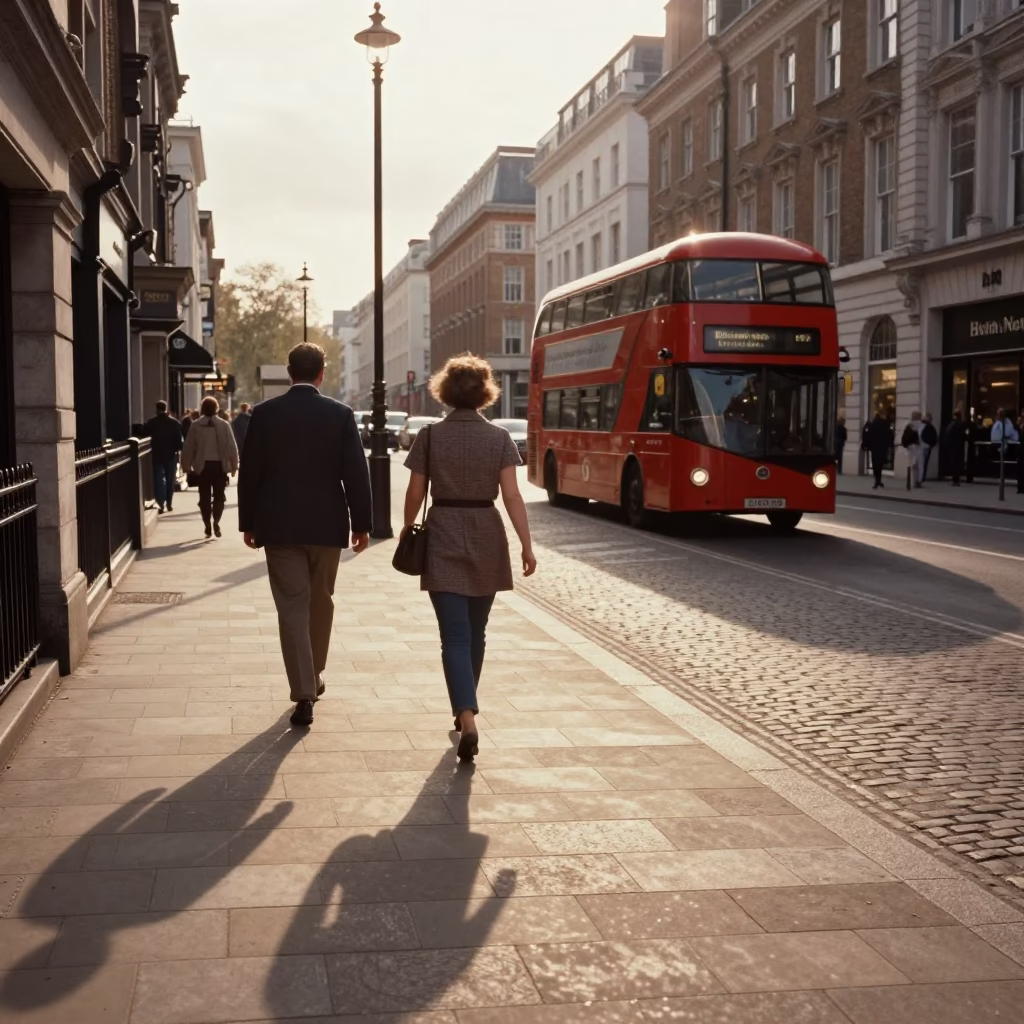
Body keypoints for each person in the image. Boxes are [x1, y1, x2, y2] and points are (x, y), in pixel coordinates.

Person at [402, 354, 537, 762]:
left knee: (454, 636)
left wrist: (409, 528)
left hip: (442, 530)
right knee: (476, 633)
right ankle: (466, 713)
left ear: (444, 392)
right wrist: (526, 545)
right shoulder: (498, 438)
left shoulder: (429, 436)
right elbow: (512, 495)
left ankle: (467, 715)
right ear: (485, 393)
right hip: (486, 532)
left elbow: (414, 493)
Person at [237, 343, 371, 728]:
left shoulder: (264, 415)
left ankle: (304, 692)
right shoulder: (340, 415)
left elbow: (251, 473)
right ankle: (313, 676)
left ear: (288, 372)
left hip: (279, 526)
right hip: (327, 526)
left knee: (292, 608)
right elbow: (356, 474)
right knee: (321, 602)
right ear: (321, 373)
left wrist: (249, 522)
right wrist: (362, 524)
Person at [181, 396, 239, 539]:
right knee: (219, 497)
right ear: (216, 408)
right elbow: (232, 446)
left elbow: (188, 447)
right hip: (219, 466)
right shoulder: (224, 425)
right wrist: (234, 466)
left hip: (202, 467)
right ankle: (216, 521)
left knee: (204, 497)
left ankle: (207, 523)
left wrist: (186, 465)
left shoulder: (195, 425)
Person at [144, 400, 184, 514]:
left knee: (158, 479)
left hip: (157, 454)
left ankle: (160, 503)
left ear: (156, 409)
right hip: (170, 454)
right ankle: (169, 502)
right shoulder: (174, 423)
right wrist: (177, 449)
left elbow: (144, 431)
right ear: (166, 409)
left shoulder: (152, 422)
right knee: (170, 479)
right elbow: (179, 439)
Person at [865, 412, 891, 489]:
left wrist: (868, 446)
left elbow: (868, 435)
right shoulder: (885, 424)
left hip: (875, 447)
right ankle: (879, 481)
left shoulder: (873, 424)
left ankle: (876, 481)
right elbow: (889, 435)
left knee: (875, 465)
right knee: (880, 464)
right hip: (883, 447)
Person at [943, 410, 967, 486]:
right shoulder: (961, 424)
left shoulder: (951, 424)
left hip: (952, 446)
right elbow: (965, 435)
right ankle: (957, 479)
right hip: (959, 446)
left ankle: (955, 479)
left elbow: (947, 434)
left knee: (953, 463)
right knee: (958, 463)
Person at [902, 411, 925, 488]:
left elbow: (904, 438)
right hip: (918, 447)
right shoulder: (922, 426)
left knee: (911, 465)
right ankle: (918, 481)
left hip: (910, 448)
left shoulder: (908, 426)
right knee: (920, 465)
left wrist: (906, 444)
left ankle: (911, 481)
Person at [920, 412, 938, 481]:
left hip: (921, 446)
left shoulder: (921, 425)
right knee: (924, 463)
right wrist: (931, 444)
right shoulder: (929, 426)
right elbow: (933, 437)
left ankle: (919, 477)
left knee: (921, 463)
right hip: (926, 446)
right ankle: (921, 477)